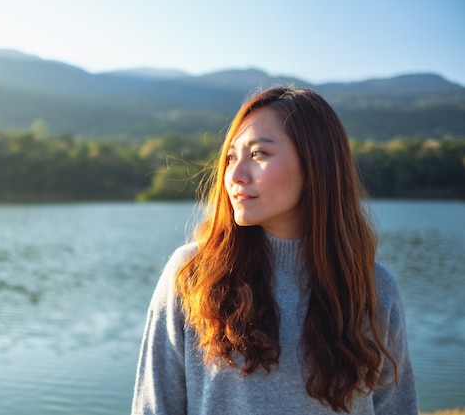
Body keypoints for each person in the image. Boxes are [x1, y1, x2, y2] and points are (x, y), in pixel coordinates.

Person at [131, 87, 418, 414]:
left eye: (258, 154)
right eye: (230, 157)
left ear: (315, 167)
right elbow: (154, 407)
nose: (235, 175)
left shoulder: (375, 288)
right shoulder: (192, 274)